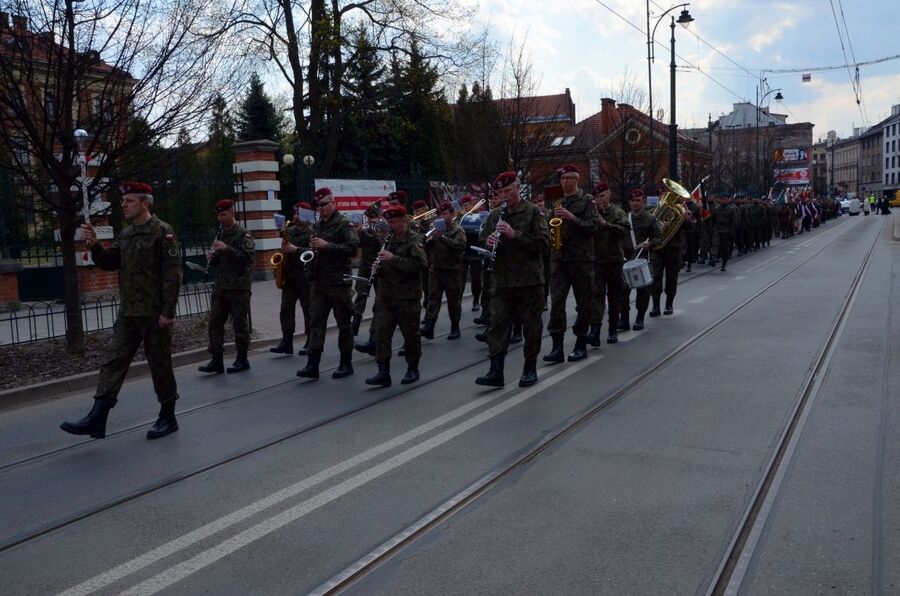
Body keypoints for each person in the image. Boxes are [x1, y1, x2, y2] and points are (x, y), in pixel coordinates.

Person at [61, 182, 182, 440]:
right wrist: (95, 245)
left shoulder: (163, 232)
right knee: (113, 362)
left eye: (129, 201)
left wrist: (168, 312)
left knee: (160, 365)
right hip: (128, 313)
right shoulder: (126, 234)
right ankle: (97, 417)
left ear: (145, 203)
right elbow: (109, 262)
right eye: (123, 201)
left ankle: (168, 415)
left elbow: (172, 276)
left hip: (154, 314)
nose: (123, 205)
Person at [476, 171, 548, 388]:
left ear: (518, 187)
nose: (505, 195)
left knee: (531, 327)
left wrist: (514, 234)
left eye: (508, 190)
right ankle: (495, 372)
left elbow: (543, 245)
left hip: (528, 281)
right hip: (502, 280)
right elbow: (483, 239)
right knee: (497, 326)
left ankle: (530, 368)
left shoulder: (533, 212)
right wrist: (488, 242)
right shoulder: (496, 215)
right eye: (501, 192)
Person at [296, 187, 360, 380]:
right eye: (318, 205)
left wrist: (327, 246)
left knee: (344, 324)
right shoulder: (317, 225)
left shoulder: (343, 224)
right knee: (316, 322)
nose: (320, 208)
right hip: (319, 282)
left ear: (334, 203)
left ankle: (346, 363)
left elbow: (353, 248)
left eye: (324, 204)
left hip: (339, 282)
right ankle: (312, 365)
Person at [364, 205, 429, 386]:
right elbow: (386, 264)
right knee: (381, 333)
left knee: (410, 334)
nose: (390, 225)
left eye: (393, 222)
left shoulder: (414, 239)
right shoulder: (389, 239)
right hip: (386, 295)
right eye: (389, 222)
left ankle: (412, 368)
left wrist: (393, 259)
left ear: (403, 220)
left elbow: (420, 264)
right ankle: (383, 372)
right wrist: (378, 268)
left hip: (407, 296)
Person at [544, 164, 597, 364]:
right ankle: (557, 347)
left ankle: (580, 343)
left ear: (577, 179)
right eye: (562, 179)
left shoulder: (587, 201)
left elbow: (592, 227)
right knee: (557, 303)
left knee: (584, 303)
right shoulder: (556, 202)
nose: (564, 182)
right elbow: (549, 226)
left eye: (568, 178)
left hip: (581, 260)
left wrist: (572, 217)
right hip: (559, 260)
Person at [198, 199, 255, 375]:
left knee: (239, 323)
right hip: (221, 286)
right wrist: (213, 257)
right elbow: (220, 261)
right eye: (218, 215)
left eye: (223, 214)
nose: (221, 219)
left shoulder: (243, 234)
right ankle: (216, 359)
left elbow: (248, 258)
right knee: (215, 322)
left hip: (238, 286)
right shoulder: (221, 234)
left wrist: (226, 248)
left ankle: (242, 359)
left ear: (232, 212)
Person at [587, 181, 629, 345]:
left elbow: (624, 230)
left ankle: (612, 330)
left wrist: (605, 223)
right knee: (596, 297)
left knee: (613, 297)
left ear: (609, 195)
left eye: (602, 196)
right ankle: (595, 330)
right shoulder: (591, 213)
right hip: (596, 261)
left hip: (614, 260)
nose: (599, 199)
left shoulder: (617, 212)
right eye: (597, 196)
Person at [270, 202, 314, 356]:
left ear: (307, 215)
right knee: (286, 309)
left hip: (306, 276)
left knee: (308, 310)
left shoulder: (313, 231)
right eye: (295, 213)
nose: (295, 217)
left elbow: (314, 252)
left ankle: (311, 340)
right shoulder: (289, 230)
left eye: (299, 214)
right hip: (289, 276)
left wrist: (296, 250)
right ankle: (286, 341)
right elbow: (284, 249)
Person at [422, 201, 467, 340]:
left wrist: (442, 237)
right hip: (436, 269)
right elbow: (426, 247)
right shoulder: (434, 229)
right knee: (433, 299)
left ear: (452, 214)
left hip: (452, 270)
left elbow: (460, 246)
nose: (442, 217)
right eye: (440, 214)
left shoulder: (458, 230)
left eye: (445, 213)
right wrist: (429, 240)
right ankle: (429, 325)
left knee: (453, 301)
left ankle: (455, 327)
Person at [619, 188, 662, 331]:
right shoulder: (625, 218)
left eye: (638, 200)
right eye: (632, 200)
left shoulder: (650, 218)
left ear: (643, 201)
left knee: (643, 291)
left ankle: (640, 318)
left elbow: (659, 238)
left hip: (643, 259)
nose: (635, 203)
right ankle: (624, 319)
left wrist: (650, 244)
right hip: (627, 259)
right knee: (622, 291)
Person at [649, 193, 693, 317]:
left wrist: (686, 218)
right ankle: (655, 306)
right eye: (662, 194)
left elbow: (690, 227)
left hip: (673, 249)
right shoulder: (653, 211)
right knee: (655, 277)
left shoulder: (679, 210)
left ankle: (669, 304)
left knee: (672, 278)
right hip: (657, 249)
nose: (663, 196)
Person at [351, 203, 383, 336]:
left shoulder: (383, 228)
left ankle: (376, 327)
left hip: (379, 267)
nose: (370, 220)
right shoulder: (364, 230)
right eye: (369, 218)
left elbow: (382, 243)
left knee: (380, 297)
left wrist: (374, 229)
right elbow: (356, 245)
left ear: (379, 217)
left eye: (373, 217)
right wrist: (358, 232)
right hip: (365, 266)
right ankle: (356, 321)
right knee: (361, 294)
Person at [459, 194, 483, 312]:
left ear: (472, 205)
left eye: (467, 205)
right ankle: (458, 301)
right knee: (460, 279)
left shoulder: (480, 216)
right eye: (463, 205)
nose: (465, 207)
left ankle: (476, 301)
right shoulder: (461, 217)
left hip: (476, 252)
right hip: (464, 252)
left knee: (476, 279)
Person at [710, 194, 739, 271]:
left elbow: (734, 221)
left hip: (727, 230)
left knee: (725, 248)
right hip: (717, 229)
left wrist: (732, 231)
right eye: (722, 199)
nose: (723, 200)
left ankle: (724, 264)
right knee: (715, 244)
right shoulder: (716, 209)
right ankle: (713, 257)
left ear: (728, 199)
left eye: (725, 199)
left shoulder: (732, 209)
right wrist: (712, 229)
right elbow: (712, 219)